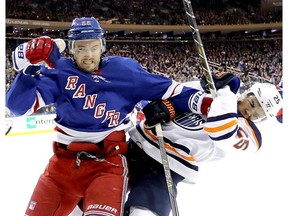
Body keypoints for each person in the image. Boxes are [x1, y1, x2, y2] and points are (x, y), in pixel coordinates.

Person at [6, 17, 203, 216]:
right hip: (62, 166)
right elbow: (17, 107)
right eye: (81, 48)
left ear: (103, 46)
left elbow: (175, 92)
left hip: (108, 164)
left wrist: (209, 101)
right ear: (71, 49)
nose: (88, 55)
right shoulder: (60, 72)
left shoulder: (125, 71)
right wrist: (29, 70)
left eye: (94, 47)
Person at [123, 74, 283, 216]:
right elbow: (173, 94)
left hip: (166, 169)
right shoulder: (213, 93)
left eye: (256, 115)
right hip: (134, 146)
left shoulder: (251, 137)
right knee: (103, 198)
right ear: (248, 93)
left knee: (143, 212)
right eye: (252, 104)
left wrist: (226, 91)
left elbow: (220, 129)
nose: (249, 113)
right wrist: (169, 107)